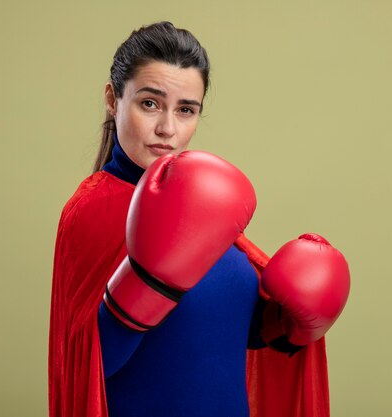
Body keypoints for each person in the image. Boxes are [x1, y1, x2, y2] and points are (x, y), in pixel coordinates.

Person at [49, 21, 350, 417]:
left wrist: (283, 324)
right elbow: (87, 365)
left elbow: (212, 333)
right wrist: (150, 280)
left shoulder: (201, 198)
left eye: (186, 110)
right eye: (150, 103)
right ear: (113, 98)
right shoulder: (91, 209)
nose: (167, 129)